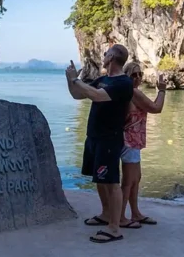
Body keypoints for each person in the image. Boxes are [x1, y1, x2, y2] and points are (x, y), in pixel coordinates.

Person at [65, 44, 133, 244]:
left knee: (111, 182)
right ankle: (105, 214)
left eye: (105, 53)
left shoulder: (124, 83)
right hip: (93, 136)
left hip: (109, 138)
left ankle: (114, 228)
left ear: (112, 57)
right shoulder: (102, 79)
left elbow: (97, 96)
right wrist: (70, 80)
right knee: (100, 179)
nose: (103, 56)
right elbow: (78, 95)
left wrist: (77, 80)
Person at [119, 62, 166, 228]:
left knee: (136, 178)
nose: (138, 77)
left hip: (133, 140)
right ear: (126, 77)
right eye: (133, 75)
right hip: (129, 141)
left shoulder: (127, 92)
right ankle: (120, 217)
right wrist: (161, 90)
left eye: (140, 74)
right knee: (129, 180)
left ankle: (135, 213)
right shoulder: (133, 93)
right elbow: (156, 108)